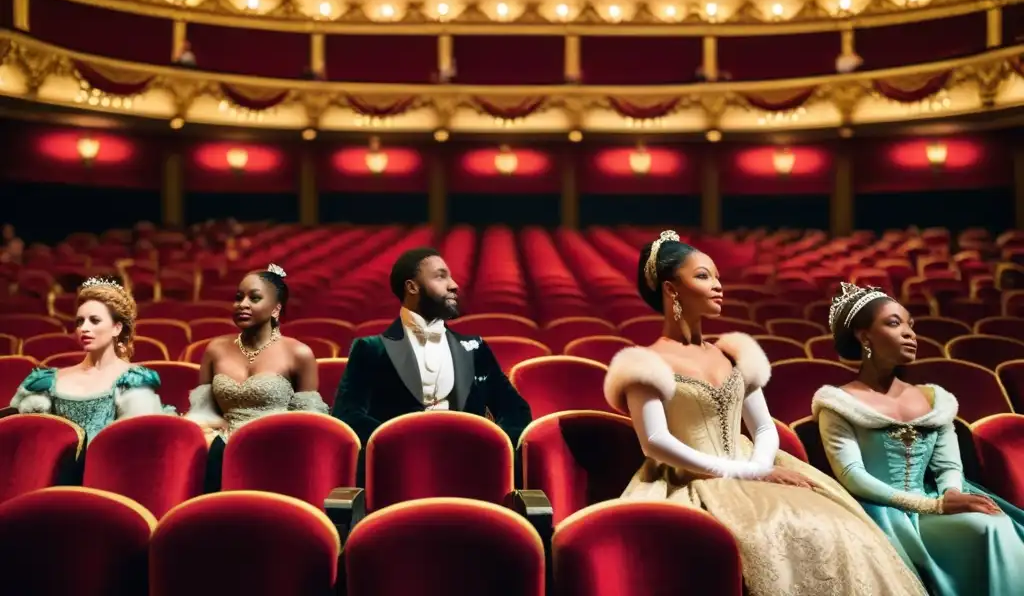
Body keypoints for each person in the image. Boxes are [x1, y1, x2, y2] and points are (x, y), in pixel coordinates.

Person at [604, 231, 925, 596]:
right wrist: (744, 472)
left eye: (718, 277)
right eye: (703, 276)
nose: (718, 286)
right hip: (693, 479)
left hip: (757, 466)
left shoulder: (735, 353)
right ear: (671, 289)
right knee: (767, 530)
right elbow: (656, 443)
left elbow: (764, 427)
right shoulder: (645, 364)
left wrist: (760, 467)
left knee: (835, 525)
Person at [813, 283, 1024, 595]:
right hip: (881, 509)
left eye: (911, 324)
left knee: (995, 522)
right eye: (894, 323)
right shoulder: (838, 403)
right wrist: (933, 506)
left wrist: (951, 492)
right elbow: (852, 475)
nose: (910, 333)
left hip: (938, 499)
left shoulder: (934, 398)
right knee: (987, 529)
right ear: (864, 335)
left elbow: (948, 463)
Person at [333, 247, 532, 449]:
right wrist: (402, 446)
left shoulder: (475, 348)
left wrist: (492, 446)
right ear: (412, 287)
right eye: (440, 277)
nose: (453, 285)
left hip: (470, 463)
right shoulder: (370, 349)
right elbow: (348, 415)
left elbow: (515, 409)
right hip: (398, 467)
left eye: (451, 278)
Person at [10, 277, 168, 441]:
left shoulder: (133, 381)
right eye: (80, 321)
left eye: (94, 320)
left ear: (117, 328)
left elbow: (138, 444)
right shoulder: (47, 381)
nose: (84, 328)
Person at [184, 264, 328, 443]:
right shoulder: (216, 349)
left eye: (254, 298)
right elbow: (202, 411)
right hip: (221, 446)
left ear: (276, 309)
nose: (242, 304)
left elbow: (308, 422)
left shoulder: (299, 353)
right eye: (239, 298)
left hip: (276, 446)